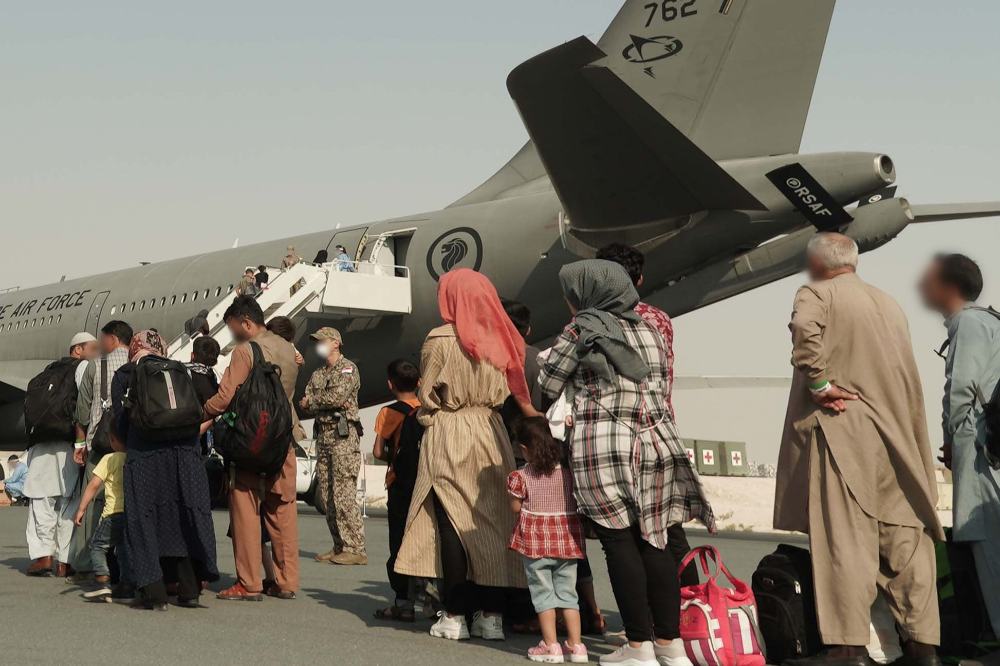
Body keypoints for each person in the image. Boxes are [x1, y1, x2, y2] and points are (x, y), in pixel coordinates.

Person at [774, 233, 944, 666]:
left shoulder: (816, 292)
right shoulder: (888, 303)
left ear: (817, 262)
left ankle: (847, 649)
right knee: (906, 544)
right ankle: (923, 648)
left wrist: (819, 384)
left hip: (843, 430)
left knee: (845, 541)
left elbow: (803, 329)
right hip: (898, 439)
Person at [538, 259, 714, 666]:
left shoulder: (581, 329)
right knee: (657, 540)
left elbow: (548, 383)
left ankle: (638, 647)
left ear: (586, 295)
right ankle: (669, 644)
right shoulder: (650, 328)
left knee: (619, 544)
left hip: (605, 446)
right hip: (657, 441)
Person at [395, 268, 534, 643]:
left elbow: (427, 394)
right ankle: (490, 615)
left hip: (451, 428)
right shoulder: (501, 335)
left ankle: (454, 614)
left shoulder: (438, 338)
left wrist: (430, 411)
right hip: (491, 432)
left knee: (451, 523)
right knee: (492, 524)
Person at [595, 243, 697, 587]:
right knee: (668, 527)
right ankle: (691, 607)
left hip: (615, 434)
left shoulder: (595, 322)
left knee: (626, 534)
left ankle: (647, 620)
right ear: (640, 278)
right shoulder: (658, 318)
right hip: (660, 428)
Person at [918, 253, 1000, 639]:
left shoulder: (968, 323)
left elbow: (962, 390)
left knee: (986, 541)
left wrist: (950, 442)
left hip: (979, 447)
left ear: (948, 287)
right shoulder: (989, 321)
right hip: (991, 447)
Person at [110, 330, 218, 610]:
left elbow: (120, 420)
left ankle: (153, 592)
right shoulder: (180, 369)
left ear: (136, 347)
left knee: (144, 520)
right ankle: (189, 588)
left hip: (145, 455)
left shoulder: (126, 374)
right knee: (181, 517)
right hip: (184, 455)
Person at [204, 296, 301, 601]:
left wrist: (201, 413)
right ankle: (286, 582)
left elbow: (224, 397)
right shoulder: (288, 348)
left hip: (250, 438)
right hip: (283, 437)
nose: (232, 335)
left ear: (246, 322)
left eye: (233, 328)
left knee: (245, 509)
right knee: (282, 509)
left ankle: (249, 582)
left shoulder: (245, 351)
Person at [508, 416, 588, 664]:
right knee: (568, 595)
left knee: (544, 596)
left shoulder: (520, 477)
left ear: (524, 449)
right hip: (567, 543)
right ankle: (577, 647)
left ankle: (552, 646)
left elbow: (515, 507)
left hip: (536, 546)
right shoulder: (568, 475)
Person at [23, 333, 99, 577]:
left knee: (41, 501)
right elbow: (84, 405)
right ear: (77, 350)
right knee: (70, 502)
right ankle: (65, 561)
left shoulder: (46, 373)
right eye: (92, 348)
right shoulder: (84, 368)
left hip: (42, 442)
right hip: (69, 442)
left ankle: (43, 556)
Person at [70, 320, 132, 576]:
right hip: (130, 446)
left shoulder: (95, 366)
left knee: (95, 500)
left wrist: (79, 444)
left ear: (113, 339)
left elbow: (82, 411)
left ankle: (89, 563)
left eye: (103, 339)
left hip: (101, 444)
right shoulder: (138, 365)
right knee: (126, 502)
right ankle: (125, 562)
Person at [300, 327, 367, 566]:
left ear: (336, 343)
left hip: (343, 437)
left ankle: (356, 548)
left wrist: (314, 402)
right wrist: (314, 402)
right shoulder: (318, 373)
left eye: (322, 341)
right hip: (324, 436)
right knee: (327, 494)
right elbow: (304, 401)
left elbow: (336, 397)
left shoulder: (348, 368)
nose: (318, 345)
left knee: (344, 493)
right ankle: (340, 545)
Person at [372, 359, 422, 621]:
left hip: (400, 484)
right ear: (419, 383)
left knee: (399, 541)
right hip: (426, 483)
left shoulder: (388, 413)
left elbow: (378, 451)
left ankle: (403, 601)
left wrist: (395, 459)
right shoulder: (427, 410)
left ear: (390, 384)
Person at [74, 434, 127, 602]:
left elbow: (94, 484)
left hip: (112, 513)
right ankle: (127, 586)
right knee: (124, 550)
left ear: (112, 440)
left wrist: (82, 508)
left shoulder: (109, 458)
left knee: (97, 546)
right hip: (130, 514)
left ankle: (102, 582)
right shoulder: (133, 457)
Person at [187, 337, 220, 456]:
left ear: (192, 355)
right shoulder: (210, 380)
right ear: (215, 361)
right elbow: (214, 413)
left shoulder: (180, 371)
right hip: (197, 440)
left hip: (179, 431)